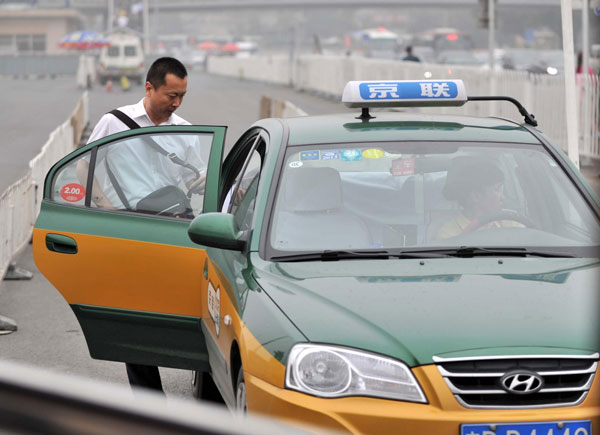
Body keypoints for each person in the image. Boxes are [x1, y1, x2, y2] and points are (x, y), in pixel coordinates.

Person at [83, 57, 204, 394]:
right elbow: (85, 168)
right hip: (132, 228)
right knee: (135, 312)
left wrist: (209, 183)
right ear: (149, 87)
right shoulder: (114, 122)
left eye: (182, 96)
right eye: (170, 95)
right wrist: (106, 208)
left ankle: (203, 377)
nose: (176, 103)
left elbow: (197, 177)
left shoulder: (185, 131)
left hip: (176, 227)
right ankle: (148, 398)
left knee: (187, 308)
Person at [436, 160, 522, 240]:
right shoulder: (448, 235)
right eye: (497, 189)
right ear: (476, 196)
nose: (503, 198)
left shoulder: (510, 223)